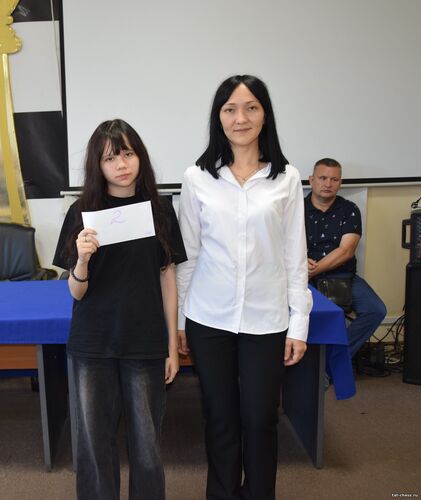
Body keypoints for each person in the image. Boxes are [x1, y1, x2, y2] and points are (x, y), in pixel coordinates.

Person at [176, 75, 312, 500]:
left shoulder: (286, 178)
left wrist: (299, 324)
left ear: (264, 115)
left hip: (265, 319)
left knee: (259, 418)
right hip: (208, 317)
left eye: (251, 107)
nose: (241, 118)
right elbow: (189, 255)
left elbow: (294, 256)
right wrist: (179, 321)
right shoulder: (197, 178)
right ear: (218, 118)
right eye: (230, 109)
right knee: (219, 418)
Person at [53, 119, 187, 500]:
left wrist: (171, 347)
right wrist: (82, 260)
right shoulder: (81, 212)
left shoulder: (160, 210)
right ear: (97, 165)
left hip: (144, 342)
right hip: (92, 343)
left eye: (127, 154)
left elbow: (168, 280)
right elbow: (76, 292)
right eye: (110, 158)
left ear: (140, 156)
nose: (121, 165)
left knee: (147, 448)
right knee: (94, 447)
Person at [305, 157, 387, 357]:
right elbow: (281, 244)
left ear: (340, 183)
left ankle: (335, 359)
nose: (328, 184)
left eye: (334, 179)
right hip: (303, 276)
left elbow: (346, 251)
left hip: (342, 276)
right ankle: (310, 363)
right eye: (323, 178)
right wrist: (299, 264)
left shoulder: (349, 209)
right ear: (311, 180)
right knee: (304, 313)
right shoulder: (294, 207)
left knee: (376, 310)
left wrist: (313, 270)